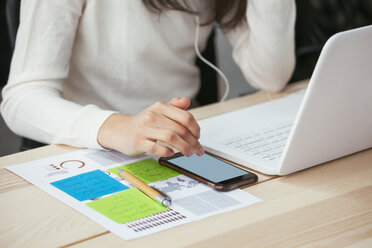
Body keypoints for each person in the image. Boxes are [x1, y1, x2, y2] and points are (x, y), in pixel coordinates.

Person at [1, 0, 296, 158]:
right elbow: (22, 99)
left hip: (184, 148)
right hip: (94, 151)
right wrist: (119, 127)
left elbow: (270, 74)